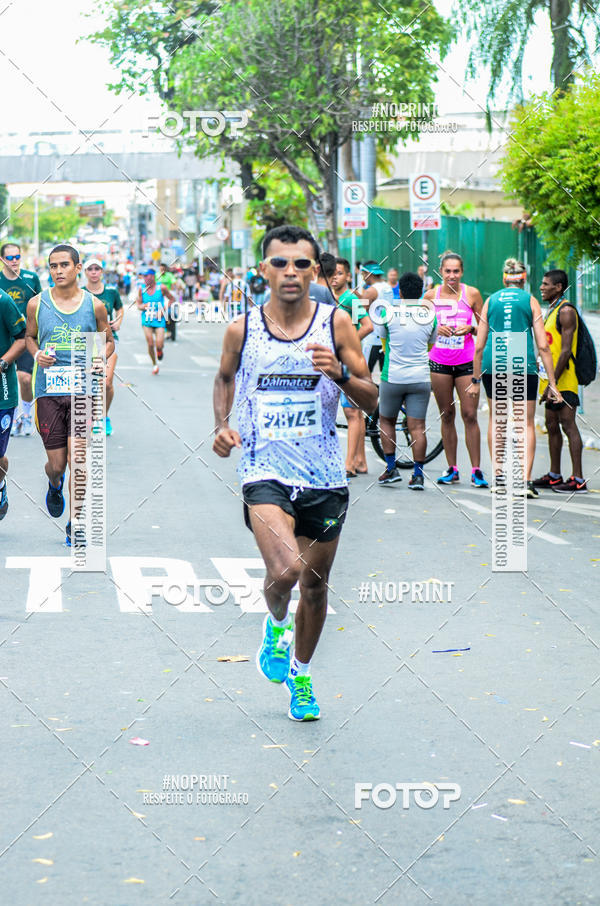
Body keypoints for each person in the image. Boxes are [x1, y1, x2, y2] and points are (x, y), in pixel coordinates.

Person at [213, 225, 377, 721]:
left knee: (315, 585)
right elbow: (223, 378)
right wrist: (222, 425)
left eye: (301, 264)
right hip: (264, 469)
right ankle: (275, 625)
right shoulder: (243, 328)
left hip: (325, 475)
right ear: (262, 270)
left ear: (315, 271)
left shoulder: (336, 325)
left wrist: (342, 375)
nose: (290, 272)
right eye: (280, 263)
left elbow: (371, 398)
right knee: (286, 571)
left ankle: (301, 674)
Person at [26, 245, 114, 543]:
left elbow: (108, 342)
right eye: (53, 266)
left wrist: (99, 357)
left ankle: (75, 523)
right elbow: (29, 336)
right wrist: (37, 353)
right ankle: (54, 484)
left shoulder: (95, 306)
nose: (58, 270)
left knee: (78, 459)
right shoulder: (37, 304)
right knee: (58, 465)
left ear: (78, 268)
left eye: (64, 265)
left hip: (82, 391)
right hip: (48, 392)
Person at [468, 258, 561, 497]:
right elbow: (543, 345)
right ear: (524, 279)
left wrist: (475, 380)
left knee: (497, 420)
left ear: (503, 279)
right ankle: (524, 482)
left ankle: (499, 478)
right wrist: (552, 383)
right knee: (525, 423)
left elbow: (479, 346)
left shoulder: (490, 300)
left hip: (494, 363)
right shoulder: (530, 301)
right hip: (522, 365)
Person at [424, 252, 488, 487]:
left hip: (466, 363)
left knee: (470, 415)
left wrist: (470, 328)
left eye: (456, 271)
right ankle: (452, 468)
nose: (452, 275)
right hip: (439, 362)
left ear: (462, 272)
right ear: (441, 271)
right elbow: (421, 329)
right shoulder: (430, 296)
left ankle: (477, 470)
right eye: (447, 271)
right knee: (447, 414)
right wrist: (435, 330)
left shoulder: (471, 294)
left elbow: (484, 327)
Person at [376, 272, 437, 488]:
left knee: (386, 421)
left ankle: (391, 469)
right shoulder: (430, 315)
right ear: (421, 292)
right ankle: (418, 476)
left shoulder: (387, 312)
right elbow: (431, 344)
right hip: (420, 376)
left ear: (399, 291)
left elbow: (384, 343)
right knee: (417, 426)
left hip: (393, 376)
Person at [532, 270, 588, 493]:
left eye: (546, 284)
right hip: (550, 379)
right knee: (551, 425)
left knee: (568, 425)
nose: (542, 287)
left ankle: (578, 479)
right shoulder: (552, 309)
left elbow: (565, 351)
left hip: (563, 380)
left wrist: (553, 383)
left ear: (558, 287)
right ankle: (555, 475)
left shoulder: (565, 311)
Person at [331, 257, 373, 476]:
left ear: (348, 276)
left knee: (352, 412)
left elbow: (368, 326)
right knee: (354, 412)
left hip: (349, 363)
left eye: (339, 273)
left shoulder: (349, 298)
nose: (335, 277)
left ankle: (349, 465)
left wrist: (349, 343)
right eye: (333, 273)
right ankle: (361, 461)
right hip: (331, 362)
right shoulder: (327, 297)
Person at [0, 242, 42, 436]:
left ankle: (25, 415)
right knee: (7, 378)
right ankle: (12, 414)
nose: (15, 261)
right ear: (2, 260)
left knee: (24, 378)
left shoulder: (31, 278)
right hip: (4, 338)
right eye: (10, 258)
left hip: (25, 335)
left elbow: (41, 303)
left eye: (17, 257)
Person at [83, 258, 123, 436]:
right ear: (84, 272)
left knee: (106, 383)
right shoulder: (80, 293)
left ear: (101, 271)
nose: (93, 272)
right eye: (90, 269)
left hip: (108, 340)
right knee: (88, 383)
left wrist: (119, 321)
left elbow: (120, 309)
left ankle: (104, 416)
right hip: (85, 341)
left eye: (97, 268)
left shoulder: (111, 292)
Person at [0, 288, 27, 519]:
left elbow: (22, 338)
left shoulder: (4, 300)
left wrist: (2, 362)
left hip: (2, 390)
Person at [359, 261, 395, 375]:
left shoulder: (371, 290)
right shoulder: (387, 287)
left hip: (372, 338)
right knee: (385, 374)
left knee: (364, 374)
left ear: (368, 274)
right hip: (385, 338)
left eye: (363, 274)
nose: (363, 277)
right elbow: (375, 305)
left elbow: (358, 313)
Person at [136, 268, 174, 374]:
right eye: (143, 276)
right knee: (150, 343)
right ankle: (155, 365)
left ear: (152, 276)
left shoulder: (161, 287)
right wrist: (143, 306)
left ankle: (160, 350)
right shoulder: (141, 289)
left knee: (159, 344)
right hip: (146, 319)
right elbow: (138, 305)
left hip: (159, 319)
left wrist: (163, 310)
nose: (145, 278)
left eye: (147, 275)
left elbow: (172, 299)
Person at [157, 263, 177, 341]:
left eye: (163, 269)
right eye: (161, 269)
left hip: (168, 296)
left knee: (170, 311)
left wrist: (172, 292)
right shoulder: (156, 275)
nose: (162, 271)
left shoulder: (169, 275)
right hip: (159, 296)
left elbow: (173, 283)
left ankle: (171, 326)